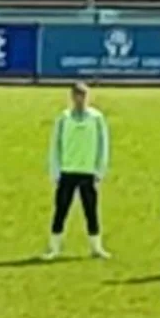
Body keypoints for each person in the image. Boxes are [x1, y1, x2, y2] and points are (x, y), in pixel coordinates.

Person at [43, 83, 111, 260]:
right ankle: (54, 247)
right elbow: (55, 145)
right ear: (72, 97)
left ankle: (96, 247)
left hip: (88, 172)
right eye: (77, 96)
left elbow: (103, 145)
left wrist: (99, 170)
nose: (80, 99)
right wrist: (55, 171)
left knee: (91, 210)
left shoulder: (96, 118)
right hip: (67, 171)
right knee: (61, 210)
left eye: (84, 96)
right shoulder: (64, 118)